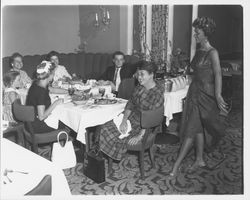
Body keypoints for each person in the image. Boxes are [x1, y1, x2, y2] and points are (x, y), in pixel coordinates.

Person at [169, 17, 228, 177]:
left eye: (197, 32)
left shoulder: (212, 52)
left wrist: (217, 94)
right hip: (194, 92)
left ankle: (177, 165)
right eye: (195, 32)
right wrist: (183, 70)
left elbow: (218, 74)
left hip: (207, 95)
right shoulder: (199, 51)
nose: (195, 34)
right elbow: (194, 72)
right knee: (194, 128)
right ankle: (199, 159)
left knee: (195, 128)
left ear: (205, 34)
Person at [98, 61, 164, 161]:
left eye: (142, 74)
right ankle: (102, 156)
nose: (139, 77)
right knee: (104, 128)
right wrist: (124, 120)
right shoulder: (139, 87)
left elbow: (151, 119)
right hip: (131, 120)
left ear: (151, 75)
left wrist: (140, 136)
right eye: (138, 74)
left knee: (115, 136)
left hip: (144, 127)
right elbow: (131, 104)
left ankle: (110, 154)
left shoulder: (157, 93)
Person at [26, 60, 65, 133]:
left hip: (30, 123)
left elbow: (52, 89)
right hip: (37, 126)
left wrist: (69, 91)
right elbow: (41, 117)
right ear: (50, 75)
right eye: (53, 73)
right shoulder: (41, 91)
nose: (54, 75)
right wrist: (56, 103)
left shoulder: (37, 83)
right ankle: (62, 140)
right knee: (66, 125)